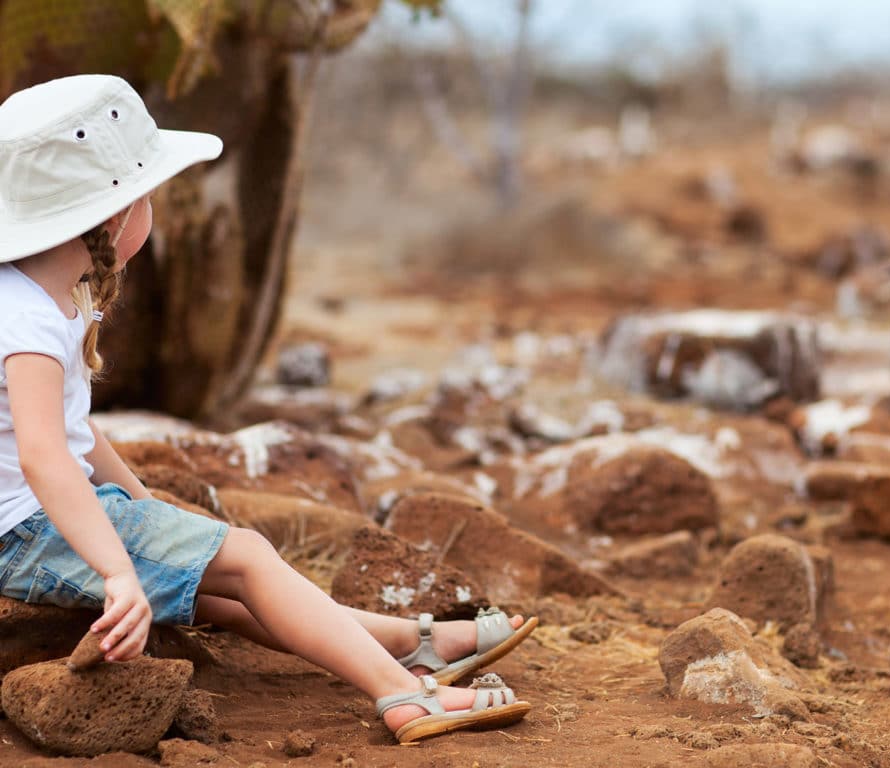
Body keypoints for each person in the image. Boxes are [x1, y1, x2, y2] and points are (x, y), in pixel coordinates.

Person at [0, 75, 536, 745]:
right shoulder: (24, 319)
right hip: (23, 533)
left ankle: (405, 641)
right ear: (115, 216)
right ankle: (402, 693)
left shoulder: (54, 293)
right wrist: (116, 570)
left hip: (35, 520)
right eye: (150, 197)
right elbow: (43, 455)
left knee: (221, 590)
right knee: (249, 557)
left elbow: (73, 431)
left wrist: (141, 503)